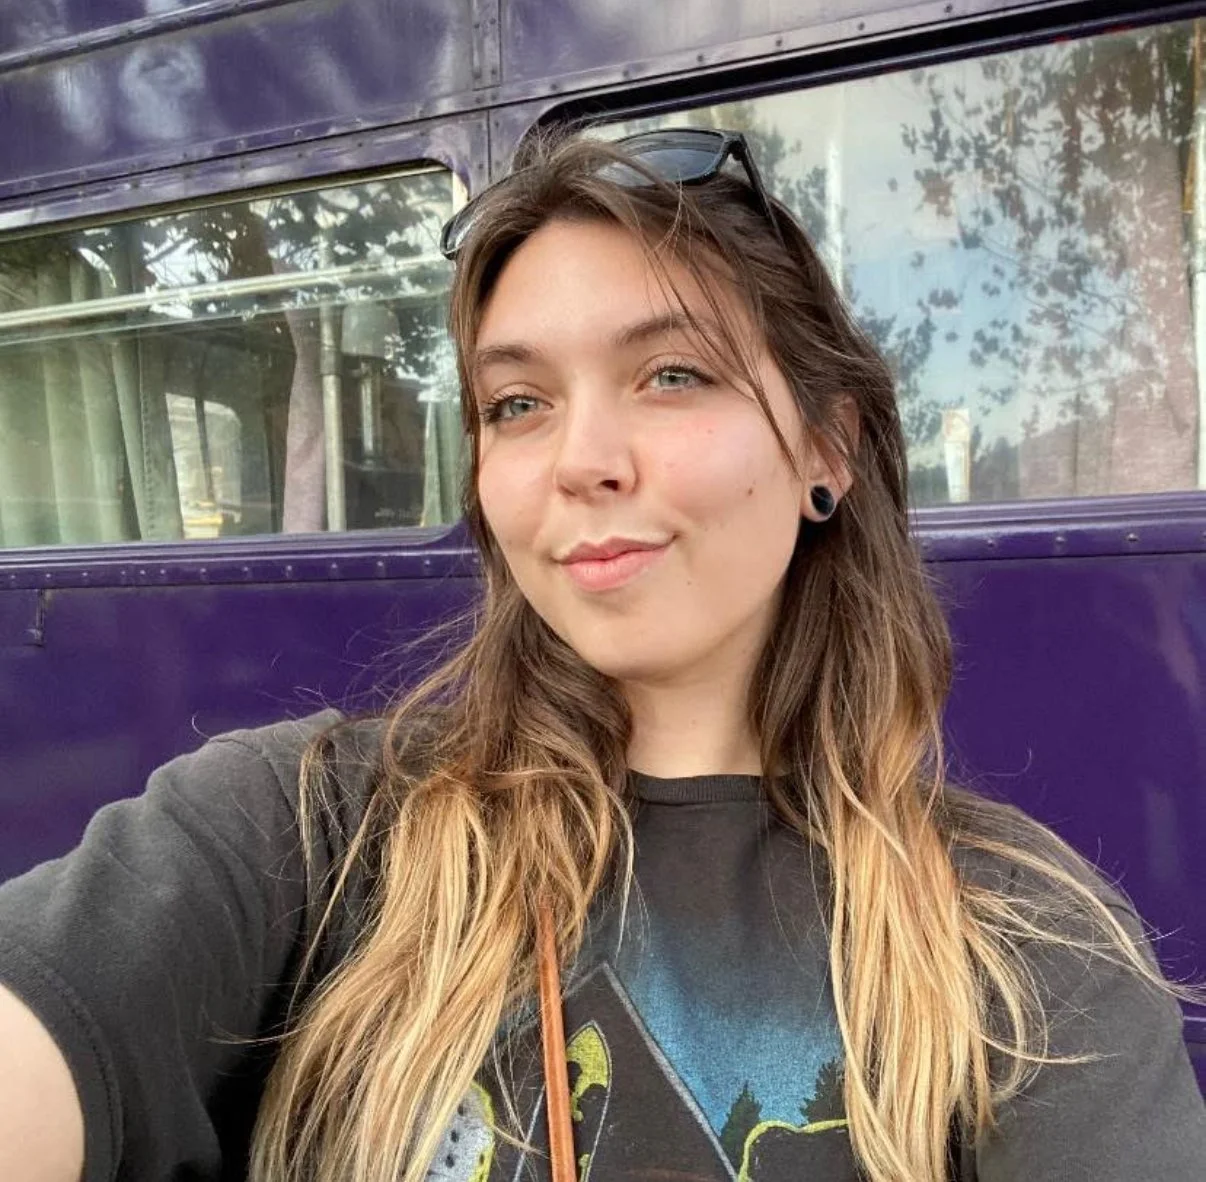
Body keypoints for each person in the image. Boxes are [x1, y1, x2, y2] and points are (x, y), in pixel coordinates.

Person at [1, 128, 1204, 1182]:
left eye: (670, 374)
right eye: (517, 403)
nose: (583, 458)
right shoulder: (306, 834)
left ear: (827, 449)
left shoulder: (1018, 938)